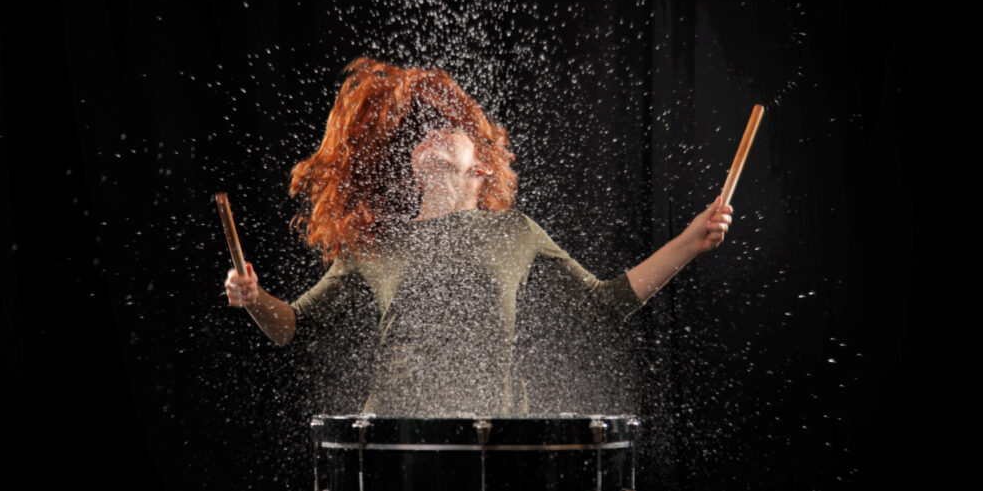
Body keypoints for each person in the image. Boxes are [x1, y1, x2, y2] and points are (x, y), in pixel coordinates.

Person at [224, 57, 732, 417]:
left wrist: (689, 242)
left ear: (483, 169)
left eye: (451, 128)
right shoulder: (375, 243)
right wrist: (253, 298)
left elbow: (604, 303)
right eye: (425, 131)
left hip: (495, 436)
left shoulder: (515, 231)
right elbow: (291, 326)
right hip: (395, 436)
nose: (433, 131)